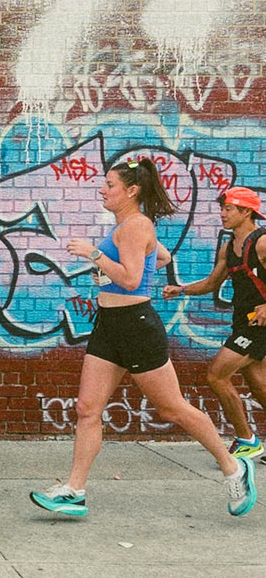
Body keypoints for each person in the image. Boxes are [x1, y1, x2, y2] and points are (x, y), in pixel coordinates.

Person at [30, 158, 257, 518]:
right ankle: (74, 491)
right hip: (109, 325)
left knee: (171, 408)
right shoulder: (130, 227)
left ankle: (234, 469)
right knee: (87, 408)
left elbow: (132, 280)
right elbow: (160, 256)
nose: (102, 190)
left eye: (110, 185)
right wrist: (121, 263)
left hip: (136, 326)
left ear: (131, 191)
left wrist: (93, 254)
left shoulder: (135, 225)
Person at [163, 186, 266, 460]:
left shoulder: (262, 243)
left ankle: (247, 440)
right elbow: (211, 283)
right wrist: (181, 290)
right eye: (222, 208)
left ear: (246, 212)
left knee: (216, 375)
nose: (222, 214)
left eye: (228, 208)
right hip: (244, 322)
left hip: (259, 325)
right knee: (259, 385)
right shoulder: (228, 248)